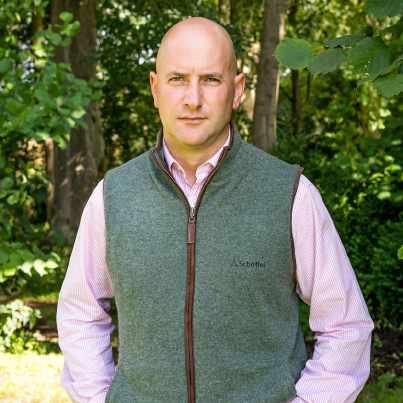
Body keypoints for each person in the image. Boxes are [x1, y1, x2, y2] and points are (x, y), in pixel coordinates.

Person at [57, 17, 374, 403]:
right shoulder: (114, 196)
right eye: (177, 79)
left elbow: (345, 326)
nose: (193, 99)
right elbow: (81, 313)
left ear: (237, 90)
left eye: (210, 79)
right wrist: (98, 398)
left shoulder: (289, 194)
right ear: (155, 89)